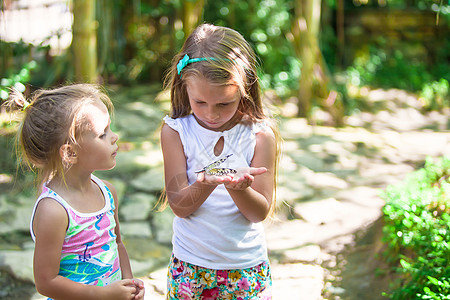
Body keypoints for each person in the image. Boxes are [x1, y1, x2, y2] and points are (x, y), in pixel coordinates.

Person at [160, 23, 281, 299]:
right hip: (190, 266)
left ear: (245, 87)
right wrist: (205, 183)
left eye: (224, 104)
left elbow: (258, 213)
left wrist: (239, 189)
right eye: (199, 102)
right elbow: (179, 206)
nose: (211, 114)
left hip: (246, 267)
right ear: (184, 86)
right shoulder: (176, 131)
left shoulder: (260, 135)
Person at [8, 84, 144, 300]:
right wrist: (103, 295)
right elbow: (46, 282)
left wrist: (129, 285)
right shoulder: (54, 211)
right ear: (70, 152)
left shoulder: (107, 193)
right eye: (102, 134)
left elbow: (117, 244)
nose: (115, 136)